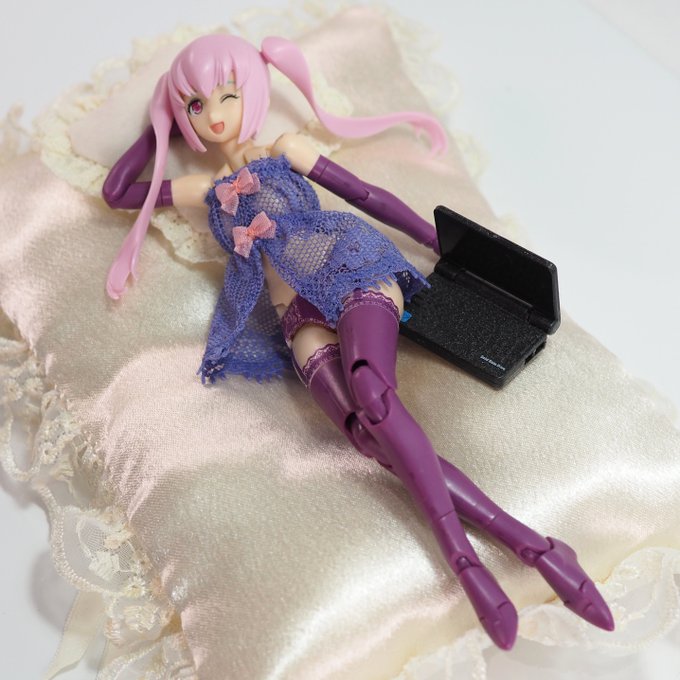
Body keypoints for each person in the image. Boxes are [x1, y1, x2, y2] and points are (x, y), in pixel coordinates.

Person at [102, 32, 613, 650]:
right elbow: (118, 192)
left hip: (346, 265)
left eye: (226, 95)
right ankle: (536, 546)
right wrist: (157, 123)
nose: (213, 115)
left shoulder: (285, 149)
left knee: (374, 393)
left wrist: (436, 241)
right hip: (297, 313)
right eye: (196, 105)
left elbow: (366, 195)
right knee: (366, 435)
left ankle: (467, 562)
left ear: (252, 93)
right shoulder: (204, 190)